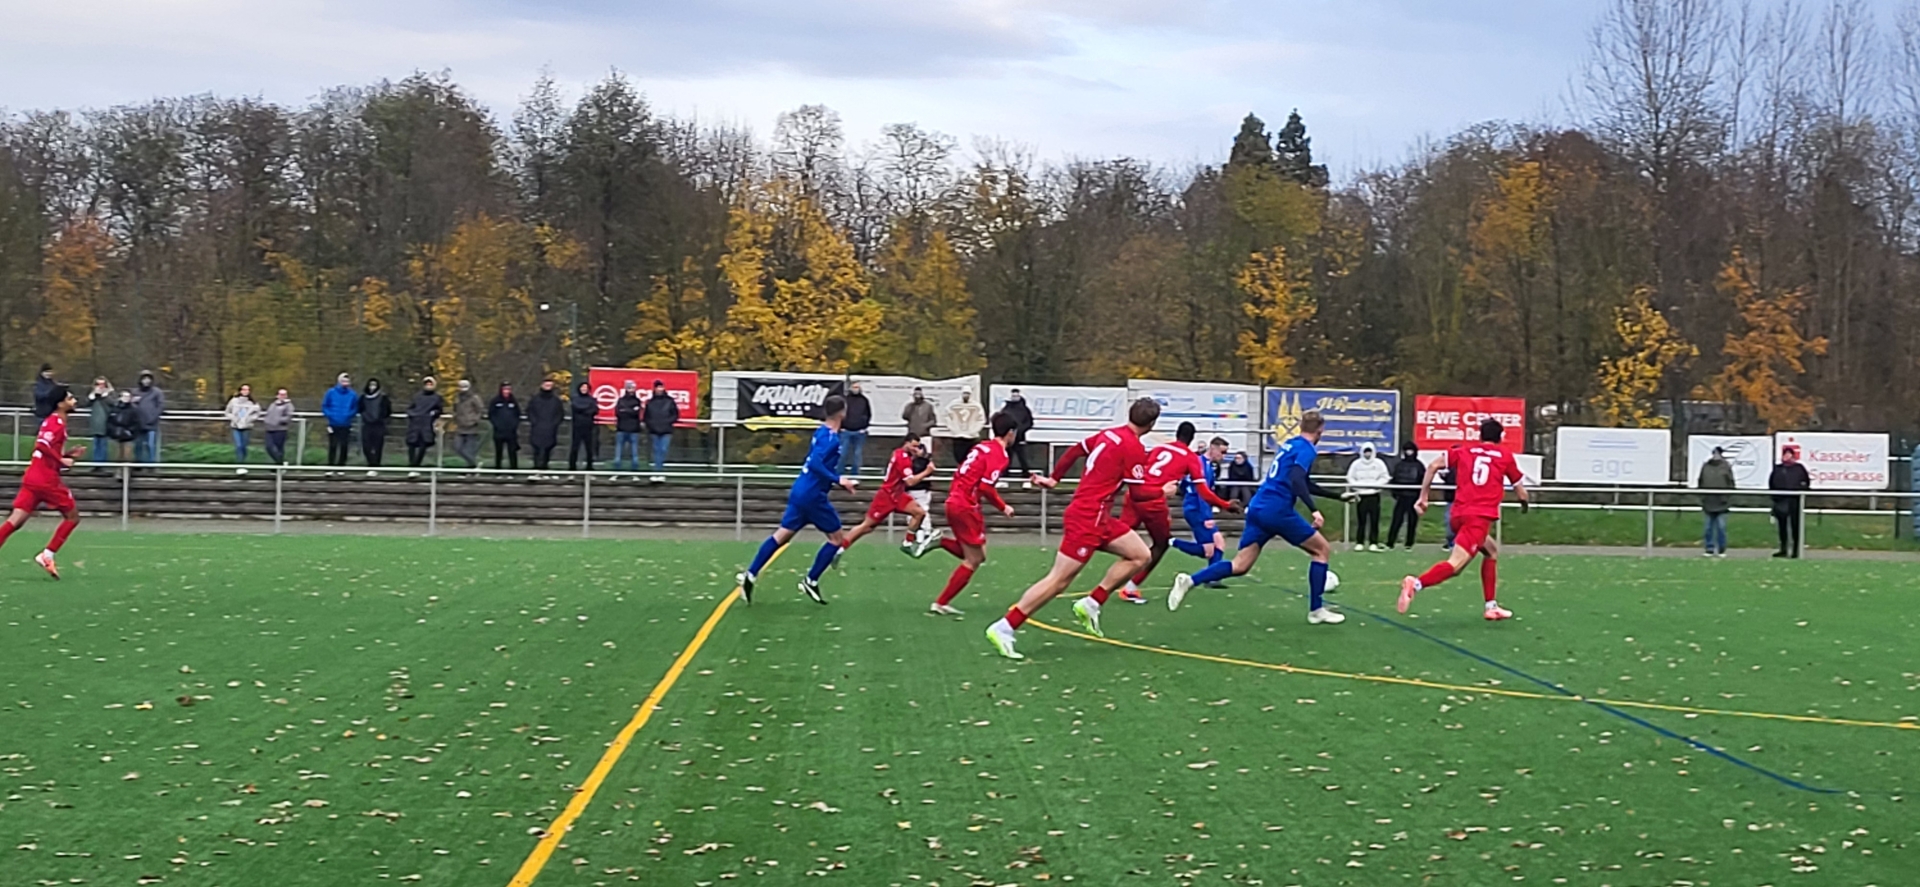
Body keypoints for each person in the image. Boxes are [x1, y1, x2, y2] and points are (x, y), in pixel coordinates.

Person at [985, 398, 1160, 660]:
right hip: (1088, 518)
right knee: (1058, 581)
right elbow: (1139, 495)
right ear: (1152, 423)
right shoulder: (1133, 447)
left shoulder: (1109, 433)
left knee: (1140, 555)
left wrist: (1054, 478)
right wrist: (1165, 490)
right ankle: (1005, 627)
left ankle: (1092, 603)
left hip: (1098, 516)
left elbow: (1076, 450)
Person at [1169, 411, 1344, 625]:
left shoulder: (1290, 444)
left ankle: (1190, 580)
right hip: (1277, 509)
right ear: (1320, 430)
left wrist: (1337, 496)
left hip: (1258, 507)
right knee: (1321, 550)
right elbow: (1297, 480)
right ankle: (1316, 610)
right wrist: (1314, 510)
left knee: (1240, 565)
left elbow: (1302, 482)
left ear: (1301, 426)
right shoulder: (1307, 449)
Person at [1397, 419, 1531, 620]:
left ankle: (1491, 606)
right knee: (1455, 565)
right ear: (1500, 437)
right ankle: (1415, 584)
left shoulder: (1464, 451)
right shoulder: (1504, 456)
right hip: (1478, 518)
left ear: (1480, 435)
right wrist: (1525, 503)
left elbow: (1433, 465)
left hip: (1458, 514)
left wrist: (1423, 497)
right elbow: (1521, 492)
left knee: (1491, 551)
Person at [736, 394, 860, 605]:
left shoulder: (821, 431)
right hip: (813, 495)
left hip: (801, 490)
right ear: (842, 412)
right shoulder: (831, 438)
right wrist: (838, 479)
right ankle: (811, 580)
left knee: (782, 535)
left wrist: (834, 479)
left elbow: (815, 462)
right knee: (836, 539)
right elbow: (816, 464)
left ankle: (751, 574)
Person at [1115, 422, 1237, 604]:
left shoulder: (1159, 448)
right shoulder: (1190, 458)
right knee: (1161, 544)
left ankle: (1089, 565)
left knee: (1118, 537)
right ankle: (1130, 588)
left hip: (1134, 495)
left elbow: (1137, 469)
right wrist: (1225, 504)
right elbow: (1203, 492)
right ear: (1192, 439)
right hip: (1154, 502)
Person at [929, 413, 1019, 615]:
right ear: (1010, 433)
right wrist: (1003, 507)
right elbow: (986, 487)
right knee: (973, 560)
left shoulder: (981, 447)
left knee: (978, 555)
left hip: (955, 500)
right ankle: (941, 602)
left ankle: (940, 541)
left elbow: (962, 473)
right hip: (965, 506)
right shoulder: (999, 455)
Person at [1, 383, 80, 577]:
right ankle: (47, 555)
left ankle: (47, 555)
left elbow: (47, 451)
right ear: (60, 404)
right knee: (72, 517)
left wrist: (68, 455)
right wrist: (61, 459)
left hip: (34, 477)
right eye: (70, 398)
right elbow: (42, 445)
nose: (74, 401)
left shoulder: (54, 421)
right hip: (45, 480)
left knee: (16, 520)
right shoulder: (55, 422)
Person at [837, 434, 940, 557]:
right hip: (887, 496)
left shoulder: (900, 453)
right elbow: (910, 482)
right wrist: (927, 472)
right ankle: (840, 548)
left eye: (917, 447)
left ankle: (907, 543)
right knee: (867, 526)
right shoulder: (902, 458)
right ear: (906, 443)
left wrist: (919, 456)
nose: (915, 449)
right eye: (913, 446)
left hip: (898, 495)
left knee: (919, 513)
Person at [1169, 435, 1235, 574]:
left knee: (1219, 542)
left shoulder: (1205, 464)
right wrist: (1206, 517)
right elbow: (1201, 493)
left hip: (1197, 507)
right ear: (1213, 448)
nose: (1223, 456)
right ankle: (1171, 541)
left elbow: (1185, 483)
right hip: (1196, 510)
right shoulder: (1201, 465)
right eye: (1222, 452)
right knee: (1208, 551)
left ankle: (1212, 577)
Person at [1344, 443, 1390, 551]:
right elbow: (1350, 477)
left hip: (1374, 495)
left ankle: (1373, 542)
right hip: (1361, 495)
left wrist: (1376, 485)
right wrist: (1358, 486)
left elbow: (1385, 477)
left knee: (1374, 520)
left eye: (1369, 451)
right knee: (1361, 520)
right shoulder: (1356, 464)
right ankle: (1359, 542)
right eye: (1365, 452)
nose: (1367, 454)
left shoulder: (1379, 463)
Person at [1769, 445, 1812, 558]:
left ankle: (1796, 551)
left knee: (1795, 526)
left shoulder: (1799, 468)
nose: (1786, 456)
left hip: (1795, 501)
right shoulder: (1778, 469)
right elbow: (1772, 483)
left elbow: (1806, 482)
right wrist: (1775, 497)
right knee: (1782, 527)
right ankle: (1783, 549)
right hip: (1781, 500)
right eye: (1785, 454)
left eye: (1789, 454)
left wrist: (1801, 490)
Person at [1386, 442, 1424, 549]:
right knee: (1397, 520)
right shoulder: (1400, 465)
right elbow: (1395, 479)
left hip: (1414, 497)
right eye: (1407, 450)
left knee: (1412, 521)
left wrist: (1420, 495)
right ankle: (1390, 542)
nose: (1409, 452)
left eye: (1411, 450)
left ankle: (1409, 543)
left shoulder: (1419, 466)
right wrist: (1395, 493)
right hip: (1401, 497)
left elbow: (1423, 480)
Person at [321, 373, 360, 469]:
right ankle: (330, 467)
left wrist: (349, 415)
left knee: (344, 446)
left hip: (346, 424)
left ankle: (341, 467)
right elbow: (325, 405)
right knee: (332, 446)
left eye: (347, 381)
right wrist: (330, 415)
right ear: (339, 381)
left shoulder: (352, 394)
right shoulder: (331, 392)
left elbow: (355, 407)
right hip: (333, 423)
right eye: (343, 381)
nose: (345, 383)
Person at [905, 436, 938, 548]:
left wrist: (922, 458)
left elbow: (926, 469)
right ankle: (915, 534)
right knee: (913, 513)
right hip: (909, 490)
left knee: (923, 510)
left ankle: (925, 532)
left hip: (921, 490)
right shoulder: (905, 458)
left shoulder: (923, 460)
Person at [643, 379, 679, 481]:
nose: (659, 389)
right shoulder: (650, 402)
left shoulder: (670, 401)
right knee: (656, 451)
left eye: (661, 387)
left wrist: (667, 422)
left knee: (663, 450)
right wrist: (651, 425)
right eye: (658, 387)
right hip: (654, 431)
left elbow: (675, 415)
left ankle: (659, 472)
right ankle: (657, 472)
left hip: (666, 430)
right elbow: (646, 417)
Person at [404, 378, 443, 471]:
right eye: (427, 384)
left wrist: (433, 414)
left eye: (430, 384)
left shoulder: (437, 397)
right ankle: (412, 465)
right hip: (415, 423)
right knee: (412, 445)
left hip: (427, 424)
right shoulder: (417, 396)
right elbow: (410, 408)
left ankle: (416, 466)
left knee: (423, 445)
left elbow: (439, 409)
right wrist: (412, 414)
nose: (428, 386)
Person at [527, 379, 564, 474]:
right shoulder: (535, 399)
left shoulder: (556, 401)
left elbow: (560, 414)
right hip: (537, 428)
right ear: (542, 385)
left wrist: (554, 424)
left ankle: (545, 468)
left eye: (550, 385)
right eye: (546, 385)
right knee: (536, 449)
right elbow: (530, 411)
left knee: (548, 449)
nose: (548, 387)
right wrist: (534, 422)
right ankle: (536, 469)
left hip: (550, 429)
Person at [942, 390, 986, 467]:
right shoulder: (953, 405)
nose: (966, 395)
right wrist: (953, 428)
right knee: (959, 458)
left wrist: (974, 430)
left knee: (971, 458)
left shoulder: (976, 406)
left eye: (968, 393)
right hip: (958, 437)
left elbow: (981, 419)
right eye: (965, 393)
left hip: (972, 437)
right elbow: (946, 416)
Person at [222, 384, 260, 470]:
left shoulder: (252, 403)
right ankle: (240, 465)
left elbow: (257, 414)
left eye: (247, 390)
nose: (245, 391)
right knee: (238, 445)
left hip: (247, 427)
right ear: (240, 390)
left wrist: (249, 419)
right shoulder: (234, 401)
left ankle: (243, 463)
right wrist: (234, 418)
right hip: (236, 426)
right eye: (244, 389)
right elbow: (227, 412)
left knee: (244, 446)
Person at [839, 381, 872, 476]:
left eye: (857, 387)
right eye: (854, 387)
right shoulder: (845, 400)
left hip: (860, 432)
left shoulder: (864, 400)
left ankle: (855, 475)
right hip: (845, 431)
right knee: (842, 453)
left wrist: (864, 427)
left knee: (857, 454)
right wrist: (841, 427)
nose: (856, 389)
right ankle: (839, 474)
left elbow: (868, 414)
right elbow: (840, 413)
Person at [1001, 388, 1036, 475]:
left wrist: (1021, 430)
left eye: (1016, 395)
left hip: (1020, 437)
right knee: (1007, 457)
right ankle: (1004, 475)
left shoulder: (1025, 409)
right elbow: (1002, 420)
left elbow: (1029, 422)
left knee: (1022, 457)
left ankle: (1026, 475)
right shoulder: (1006, 408)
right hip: (1008, 437)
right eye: (1013, 395)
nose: (1015, 396)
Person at [131, 371, 164, 464]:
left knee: (151, 445)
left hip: (151, 423)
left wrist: (153, 417)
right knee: (138, 445)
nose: (146, 381)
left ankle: (151, 465)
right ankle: (138, 464)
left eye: (148, 379)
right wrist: (133, 402)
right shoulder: (135, 392)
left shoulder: (157, 392)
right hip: (138, 423)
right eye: (144, 379)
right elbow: (130, 406)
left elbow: (160, 406)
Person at [488, 382, 522, 471]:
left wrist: (514, 425)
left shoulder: (513, 401)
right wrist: (497, 424)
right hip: (499, 431)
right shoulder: (495, 401)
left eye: (508, 389)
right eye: (505, 389)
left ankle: (513, 471)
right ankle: (498, 471)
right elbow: (491, 414)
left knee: (512, 452)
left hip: (511, 432)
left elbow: (518, 414)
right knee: (498, 452)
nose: (507, 391)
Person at [360, 378, 392, 472]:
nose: (372, 387)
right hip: (367, 424)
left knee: (377, 447)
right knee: (366, 446)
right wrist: (365, 416)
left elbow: (388, 411)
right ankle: (371, 463)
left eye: (374, 385)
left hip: (379, 425)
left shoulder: (383, 398)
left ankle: (375, 466)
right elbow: (360, 409)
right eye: (371, 385)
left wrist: (382, 418)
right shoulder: (363, 398)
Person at [452, 380, 484, 469]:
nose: (462, 388)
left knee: (469, 450)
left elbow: (480, 410)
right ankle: (474, 464)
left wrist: (474, 420)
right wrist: (455, 418)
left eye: (465, 386)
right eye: (461, 386)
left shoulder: (474, 397)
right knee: (457, 447)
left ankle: (470, 469)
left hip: (471, 427)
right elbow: (455, 409)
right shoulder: (457, 398)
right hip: (460, 426)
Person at [613, 380, 643, 475]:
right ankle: (616, 472)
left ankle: (635, 473)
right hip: (621, 429)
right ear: (626, 389)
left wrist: (625, 410)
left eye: (633, 388)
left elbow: (636, 413)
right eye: (629, 388)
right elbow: (618, 413)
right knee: (618, 454)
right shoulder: (621, 400)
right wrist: (631, 410)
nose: (631, 390)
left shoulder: (637, 401)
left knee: (634, 454)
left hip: (634, 430)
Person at [569, 381, 599, 471]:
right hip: (577, 426)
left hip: (589, 427)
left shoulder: (592, 399)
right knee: (575, 447)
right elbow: (576, 407)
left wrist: (584, 411)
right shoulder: (575, 398)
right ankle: (572, 467)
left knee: (589, 448)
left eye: (586, 388)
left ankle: (589, 467)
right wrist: (586, 409)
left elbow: (594, 410)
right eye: (582, 387)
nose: (584, 389)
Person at [262, 389, 295, 465]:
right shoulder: (273, 404)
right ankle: (280, 463)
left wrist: (278, 420)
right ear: (277, 395)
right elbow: (268, 414)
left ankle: (278, 466)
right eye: (280, 394)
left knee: (279, 448)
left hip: (280, 429)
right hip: (269, 429)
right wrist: (267, 421)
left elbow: (289, 417)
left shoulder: (288, 405)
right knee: (269, 447)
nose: (282, 396)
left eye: (284, 394)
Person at [902, 387, 937, 457]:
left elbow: (933, 420)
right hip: (913, 435)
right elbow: (904, 416)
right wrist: (911, 408)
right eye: (915, 394)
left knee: (926, 454)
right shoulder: (909, 406)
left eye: (919, 394)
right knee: (912, 454)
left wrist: (925, 426)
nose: (917, 396)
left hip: (924, 435)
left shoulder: (928, 406)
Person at [85, 378, 113, 466]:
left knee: (103, 445)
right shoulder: (92, 396)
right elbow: (85, 404)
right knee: (95, 445)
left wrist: (105, 396)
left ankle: (102, 464)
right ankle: (96, 464)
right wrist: (92, 396)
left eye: (102, 384)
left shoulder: (110, 395)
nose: (100, 387)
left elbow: (113, 404)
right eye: (98, 384)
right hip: (95, 424)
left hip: (106, 423)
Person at [107, 390, 139, 462]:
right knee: (116, 456)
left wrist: (129, 431)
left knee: (127, 456)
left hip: (128, 436)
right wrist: (112, 430)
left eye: (128, 396)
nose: (126, 398)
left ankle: (126, 469)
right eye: (124, 396)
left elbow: (136, 423)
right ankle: (117, 469)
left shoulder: (134, 409)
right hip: (116, 435)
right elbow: (110, 421)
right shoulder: (114, 408)